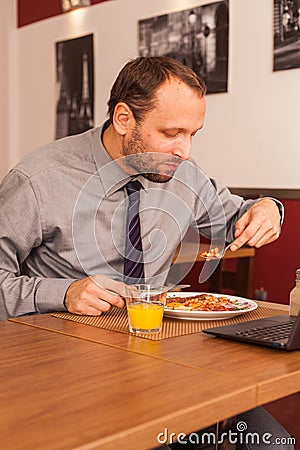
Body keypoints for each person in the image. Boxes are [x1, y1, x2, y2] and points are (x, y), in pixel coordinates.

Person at [0, 56, 292, 449]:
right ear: (124, 118)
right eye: (171, 132)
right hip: (65, 369)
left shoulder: (179, 172)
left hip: (163, 358)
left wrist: (269, 208)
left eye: (193, 134)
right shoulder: (38, 180)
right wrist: (63, 292)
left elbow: (237, 215)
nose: (185, 151)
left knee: (272, 444)